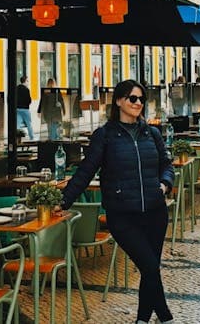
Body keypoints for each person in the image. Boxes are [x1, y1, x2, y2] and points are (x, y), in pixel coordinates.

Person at [61, 80, 175, 324]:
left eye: (141, 99)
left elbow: (166, 164)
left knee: (149, 268)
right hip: (123, 217)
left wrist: (164, 185)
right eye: (133, 98)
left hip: (155, 213)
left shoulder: (151, 132)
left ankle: (142, 320)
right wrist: (62, 203)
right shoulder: (105, 135)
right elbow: (85, 172)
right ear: (119, 101)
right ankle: (165, 317)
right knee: (150, 267)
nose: (138, 103)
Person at [16, 75, 34, 140]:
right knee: (29, 124)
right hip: (25, 109)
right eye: (28, 81)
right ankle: (31, 137)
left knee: (17, 125)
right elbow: (29, 100)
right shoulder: (26, 90)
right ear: (25, 81)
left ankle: (17, 138)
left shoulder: (16, 88)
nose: (28, 82)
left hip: (17, 109)